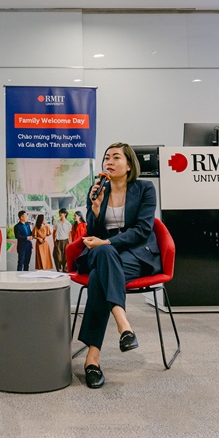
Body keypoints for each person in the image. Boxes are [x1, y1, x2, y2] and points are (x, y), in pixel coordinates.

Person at [76, 142, 160, 389]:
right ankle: (123, 324)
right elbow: (92, 232)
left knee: (97, 280)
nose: (109, 162)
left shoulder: (145, 188)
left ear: (129, 164)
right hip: (102, 252)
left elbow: (144, 230)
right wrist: (95, 207)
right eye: (106, 158)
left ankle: (92, 359)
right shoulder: (98, 189)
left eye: (115, 158)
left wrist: (108, 241)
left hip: (134, 253)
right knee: (103, 253)